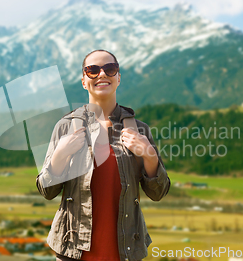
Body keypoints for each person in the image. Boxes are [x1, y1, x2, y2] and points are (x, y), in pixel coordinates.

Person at [36, 49, 170, 261]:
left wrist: (150, 155)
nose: (102, 74)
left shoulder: (139, 130)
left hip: (126, 252)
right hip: (73, 253)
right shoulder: (65, 127)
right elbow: (47, 190)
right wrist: (60, 155)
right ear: (83, 81)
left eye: (110, 69)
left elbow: (158, 193)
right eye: (92, 70)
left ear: (118, 78)